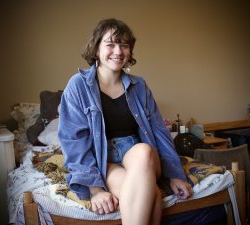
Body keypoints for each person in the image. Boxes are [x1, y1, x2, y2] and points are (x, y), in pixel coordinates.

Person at [58, 18, 193, 225]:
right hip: (105, 161)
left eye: (124, 45)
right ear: (96, 49)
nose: (118, 51)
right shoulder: (78, 86)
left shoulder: (139, 86)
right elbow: (74, 140)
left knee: (143, 151)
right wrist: (95, 189)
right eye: (110, 44)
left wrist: (175, 174)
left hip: (141, 156)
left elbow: (159, 132)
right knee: (153, 195)